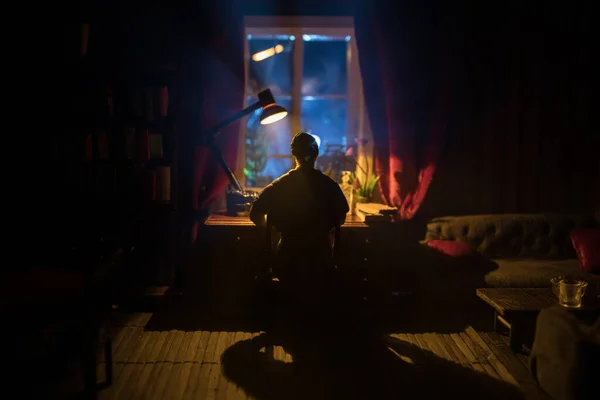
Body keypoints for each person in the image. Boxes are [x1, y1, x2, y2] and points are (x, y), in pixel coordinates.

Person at [249, 132, 349, 304]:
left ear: (294, 154)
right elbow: (341, 217)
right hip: (321, 260)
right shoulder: (330, 186)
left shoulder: (279, 185)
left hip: (288, 259)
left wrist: (273, 232)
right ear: (316, 152)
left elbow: (255, 212)